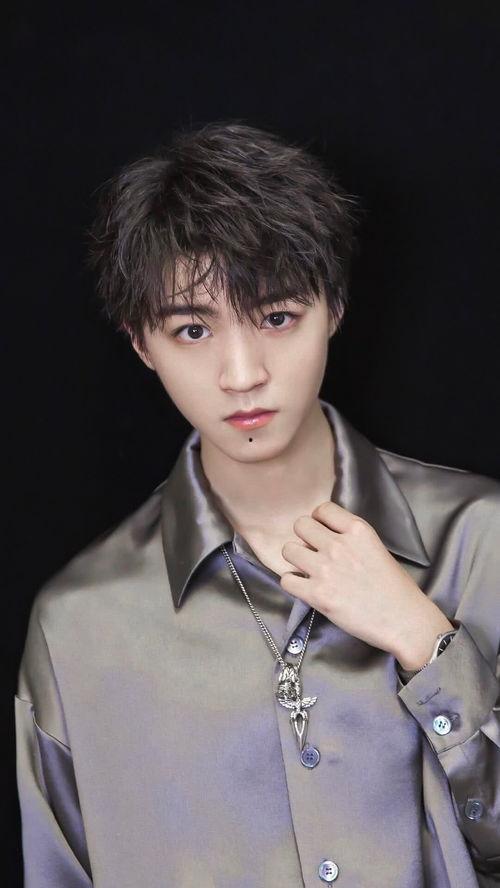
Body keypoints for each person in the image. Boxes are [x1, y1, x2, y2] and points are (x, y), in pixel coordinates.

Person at [15, 120, 500, 888]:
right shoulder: (80, 627)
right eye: (192, 329)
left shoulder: (481, 544)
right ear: (141, 343)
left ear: (333, 307)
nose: (241, 373)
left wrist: (425, 642)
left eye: (276, 318)